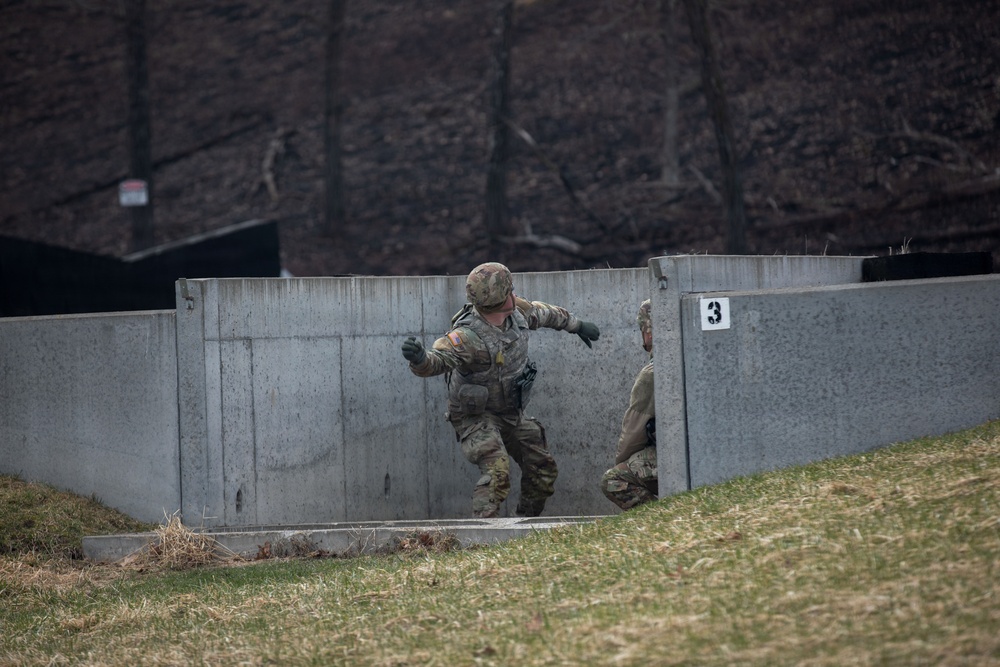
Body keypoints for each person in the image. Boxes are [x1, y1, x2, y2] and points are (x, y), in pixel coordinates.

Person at [401, 262, 601, 518]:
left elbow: (547, 313)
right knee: (497, 473)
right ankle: (484, 538)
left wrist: (577, 325)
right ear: (498, 300)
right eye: (510, 292)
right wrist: (419, 360)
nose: (515, 296)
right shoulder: (468, 336)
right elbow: (438, 360)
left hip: (511, 413)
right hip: (476, 419)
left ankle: (526, 526)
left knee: (543, 468)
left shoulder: (518, 313)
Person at [600, 299, 657, 510]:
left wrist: (621, 465)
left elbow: (633, 434)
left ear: (648, 332)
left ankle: (662, 519)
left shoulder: (651, 374)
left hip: (676, 459)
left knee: (614, 481)